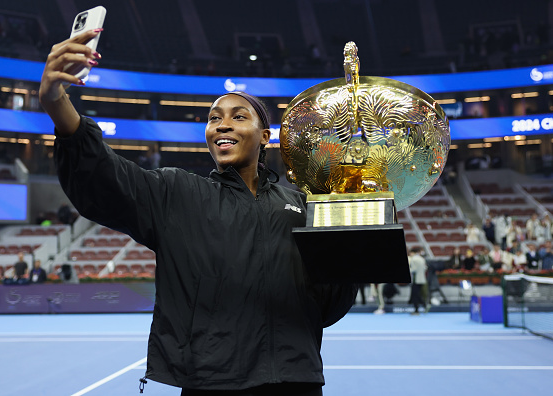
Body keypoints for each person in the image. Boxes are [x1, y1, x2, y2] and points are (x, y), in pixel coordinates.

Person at [39, 29, 356, 395]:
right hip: (211, 382)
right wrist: (56, 102)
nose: (222, 124)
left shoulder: (302, 207)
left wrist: (349, 242)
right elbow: (104, 177)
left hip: (296, 380)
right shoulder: (177, 193)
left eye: (239, 117)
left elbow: (328, 305)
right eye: (213, 118)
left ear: (265, 136)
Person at [408, 247, 427, 315]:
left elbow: (413, 269)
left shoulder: (414, 259)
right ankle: (425, 305)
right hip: (422, 279)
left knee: (415, 296)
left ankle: (416, 310)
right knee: (418, 294)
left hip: (416, 280)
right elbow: (425, 268)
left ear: (413, 253)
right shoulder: (422, 258)